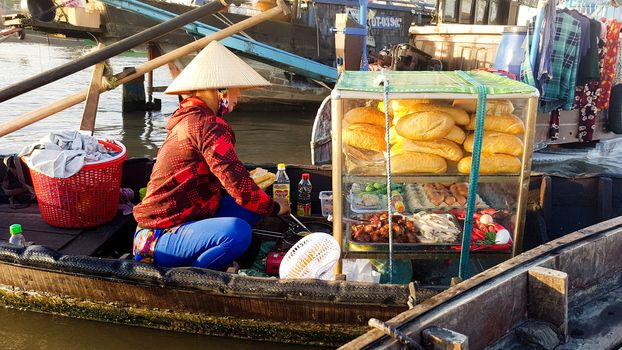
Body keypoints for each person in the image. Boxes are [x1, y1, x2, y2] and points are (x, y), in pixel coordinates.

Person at [132, 40, 290, 270]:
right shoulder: (207, 126)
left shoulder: (191, 116)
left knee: (253, 206)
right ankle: (198, 275)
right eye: (237, 89)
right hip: (157, 238)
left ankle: (213, 257)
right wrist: (276, 207)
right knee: (239, 232)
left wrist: (266, 203)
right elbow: (239, 187)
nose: (238, 97)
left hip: (188, 218)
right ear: (221, 89)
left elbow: (237, 183)